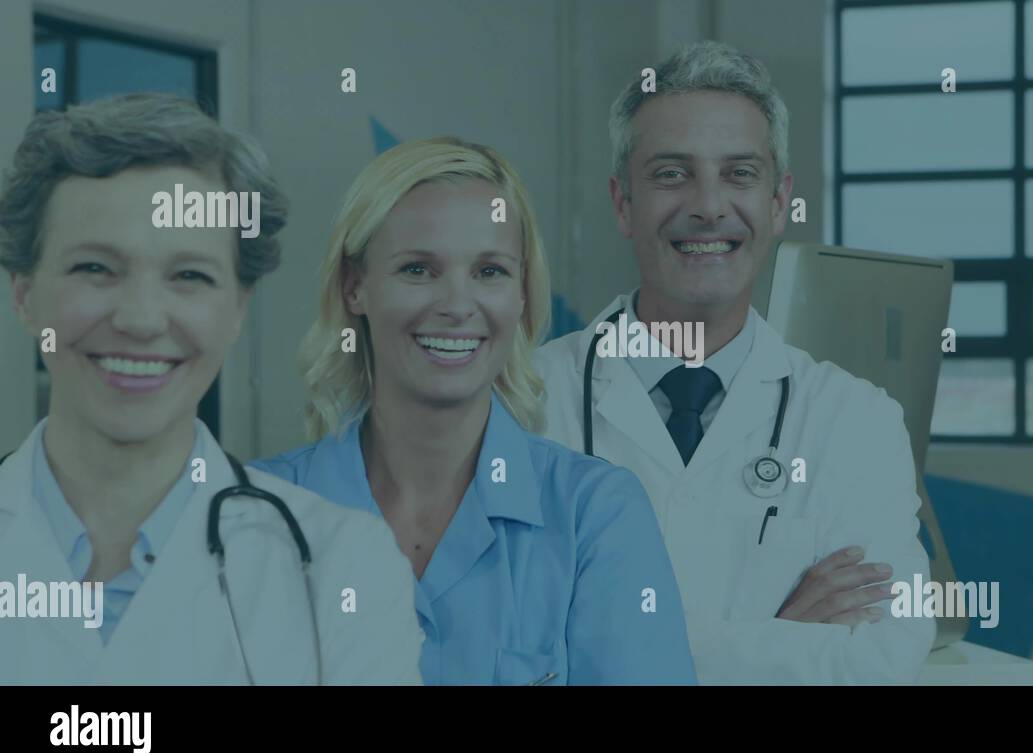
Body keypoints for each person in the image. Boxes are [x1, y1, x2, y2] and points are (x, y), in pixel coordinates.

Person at [535, 41, 937, 684]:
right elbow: (500, 651)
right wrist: (777, 640)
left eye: (740, 174)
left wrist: (610, 645)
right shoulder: (522, 405)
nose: (709, 206)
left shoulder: (856, 421)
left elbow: (880, 655)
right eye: (672, 173)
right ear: (622, 203)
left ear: (778, 203)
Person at [0, 93, 423, 684]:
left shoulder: (343, 566)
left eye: (189, 276)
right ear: (24, 293)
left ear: (236, 310)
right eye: (95, 268)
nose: (142, 319)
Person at [252, 137, 696, 685]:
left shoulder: (595, 516)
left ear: (522, 296)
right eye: (418, 270)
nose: (458, 306)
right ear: (355, 288)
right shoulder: (256, 514)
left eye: (489, 272)